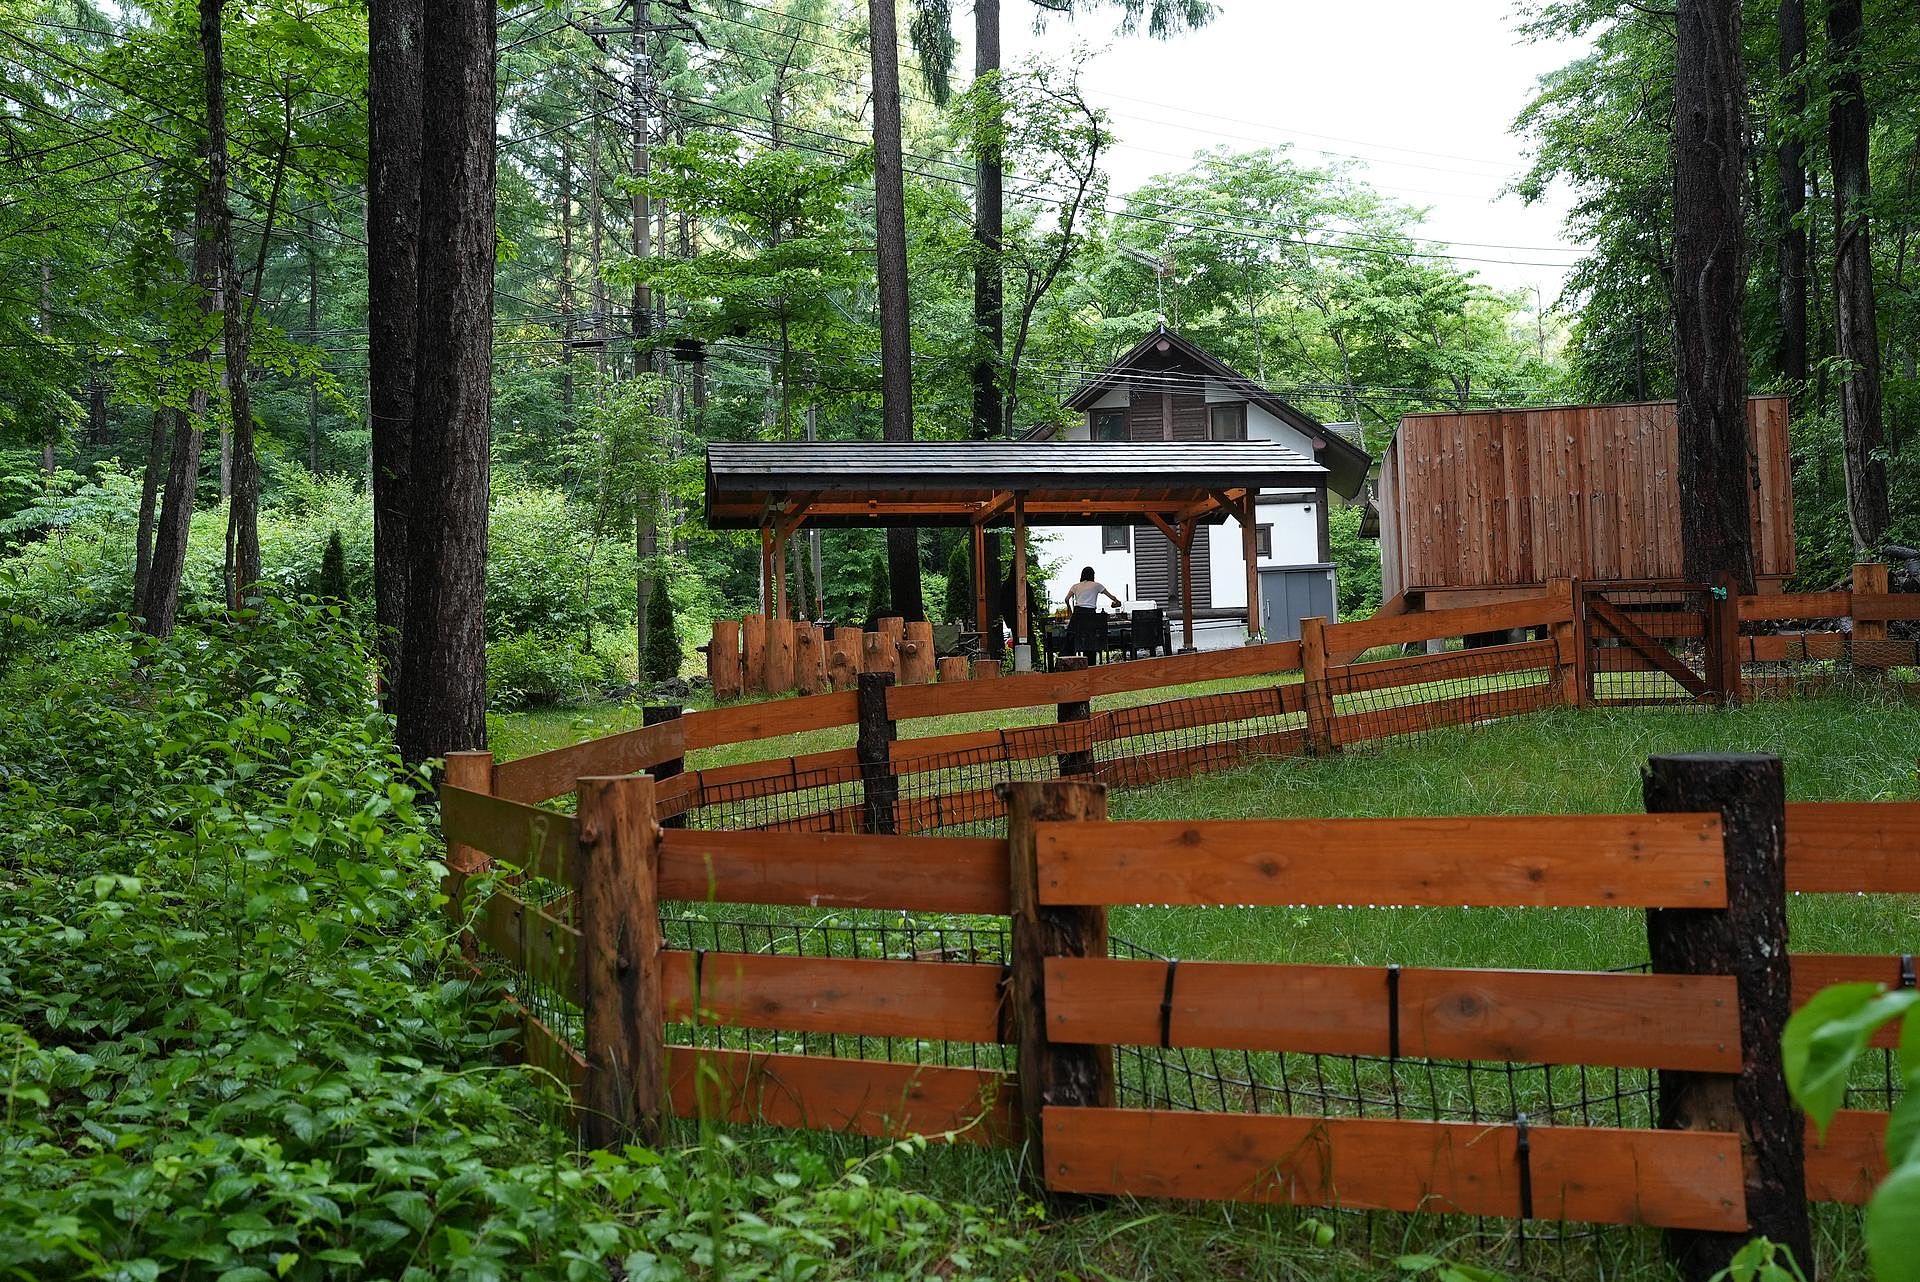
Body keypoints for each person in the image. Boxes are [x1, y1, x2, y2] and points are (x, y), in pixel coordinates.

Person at [1065, 566, 1122, 664]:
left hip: (1078, 614)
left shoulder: (1075, 586)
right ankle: (1091, 664)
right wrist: (1116, 602)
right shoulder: (1097, 585)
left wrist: (1070, 609)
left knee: (1072, 636)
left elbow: (1066, 599)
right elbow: (1112, 597)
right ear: (1093, 575)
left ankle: (1069, 661)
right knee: (1090, 638)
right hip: (1090, 614)